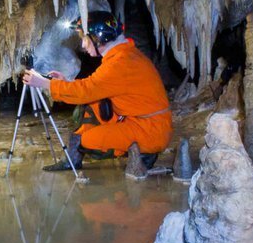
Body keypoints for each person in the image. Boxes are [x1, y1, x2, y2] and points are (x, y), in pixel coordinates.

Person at [23, 9, 172, 172]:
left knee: (84, 140)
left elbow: (86, 90)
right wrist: (66, 83)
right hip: (142, 121)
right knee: (91, 106)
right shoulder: (124, 55)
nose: (83, 45)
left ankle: (144, 154)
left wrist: (45, 83)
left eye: (84, 39)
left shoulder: (120, 64)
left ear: (98, 38)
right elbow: (95, 87)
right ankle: (72, 161)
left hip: (149, 130)